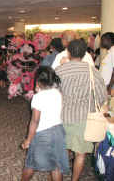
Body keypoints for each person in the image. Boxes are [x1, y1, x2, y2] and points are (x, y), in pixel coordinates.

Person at [55, 39, 107, 181]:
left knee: (61, 151)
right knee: (80, 154)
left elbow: (52, 95)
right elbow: (102, 97)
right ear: (85, 53)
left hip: (62, 116)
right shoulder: (93, 72)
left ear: (69, 52)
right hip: (84, 119)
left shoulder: (59, 70)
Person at [21, 66, 69, 181]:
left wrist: (28, 140)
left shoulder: (38, 97)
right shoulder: (57, 93)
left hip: (43, 133)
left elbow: (35, 121)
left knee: (31, 163)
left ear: (38, 81)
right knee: (56, 165)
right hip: (59, 131)